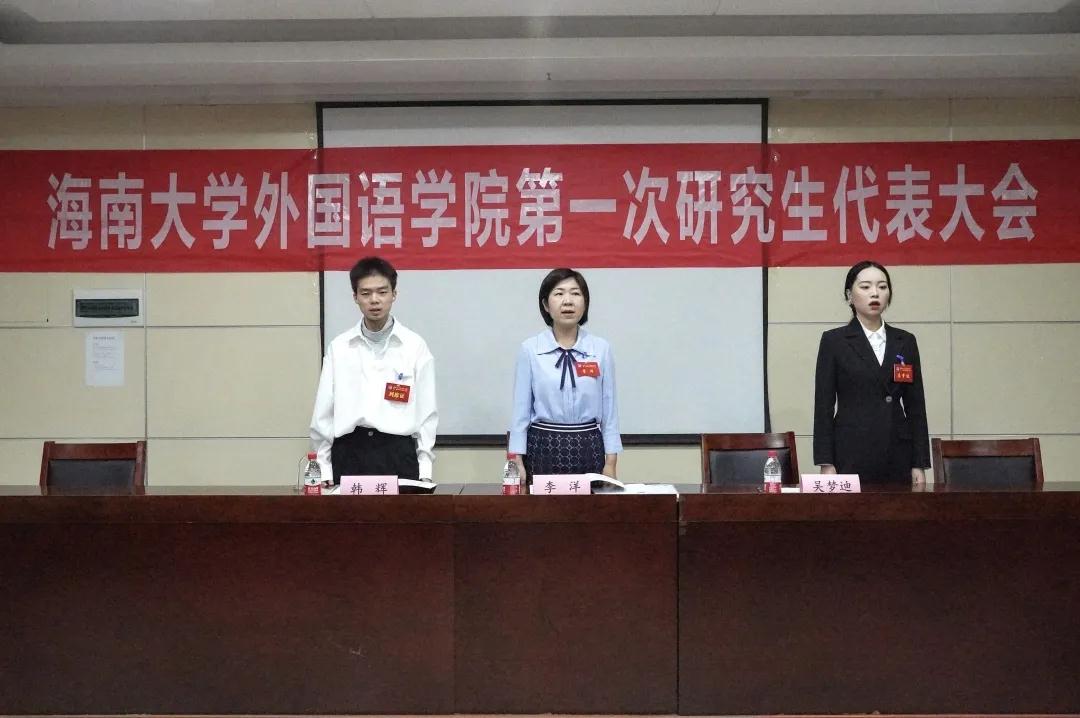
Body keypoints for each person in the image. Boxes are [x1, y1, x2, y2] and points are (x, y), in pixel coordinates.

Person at [310, 256, 438, 483]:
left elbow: (427, 412)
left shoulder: (414, 346)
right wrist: (324, 467)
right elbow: (324, 411)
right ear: (355, 297)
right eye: (366, 293)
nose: (374, 300)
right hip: (350, 453)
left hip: (398, 453)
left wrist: (425, 468)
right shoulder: (339, 347)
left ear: (394, 294)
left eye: (382, 292)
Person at [813, 260, 930, 487]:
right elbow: (823, 406)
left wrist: (919, 462)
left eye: (882, 287)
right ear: (850, 295)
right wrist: (826, 461)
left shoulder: (905, 341)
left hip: (897, 452)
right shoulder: (834, 341)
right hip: (851, 451)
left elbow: (916, 407)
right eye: (865, 287)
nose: (875, 293)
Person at [509, 268, 622, 482]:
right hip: (542, 448)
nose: (568, 301)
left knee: (589, 504)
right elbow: (520, 414)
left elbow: (610, 411)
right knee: (544, 504)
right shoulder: (530, 350)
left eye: (575, 293)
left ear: (585, 303)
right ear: (546, 305)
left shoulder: (600, 349)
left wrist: (611, 462)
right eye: (559, 293)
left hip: (589, 448)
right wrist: (517, 461)